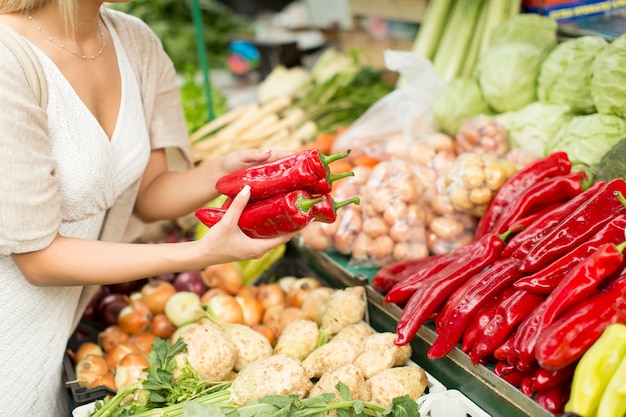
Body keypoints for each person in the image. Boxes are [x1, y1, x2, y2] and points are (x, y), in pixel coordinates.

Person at [0, 1, 295, 416]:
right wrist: (201, 253)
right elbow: (37, 256)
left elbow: (151, 194)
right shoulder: (8, 59)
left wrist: (225, 172)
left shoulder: (134, 42)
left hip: (60, 332)